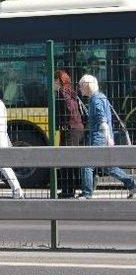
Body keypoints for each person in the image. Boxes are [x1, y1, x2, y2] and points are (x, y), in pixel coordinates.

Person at [77, 75, 135, 199]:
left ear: (87, 85)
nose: (80, 88)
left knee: (87, 165)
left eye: (81, 85)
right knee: (109, 168)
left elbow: (102, 119)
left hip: (99, 137)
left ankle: (87, 194)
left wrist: (107, 137)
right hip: (104, 136)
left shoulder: (95, 100)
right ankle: (132, 185)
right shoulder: (102, 97)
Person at [54, 69, 84, 198]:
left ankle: (68, 191)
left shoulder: (62, 92)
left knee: (66, 160)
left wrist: (62, 123)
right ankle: (71, 188)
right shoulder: (71, 91)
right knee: (72, 159)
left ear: (58, 81)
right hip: (77, 128)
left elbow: (68, 109)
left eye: (54, 80)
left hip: (70, 129)